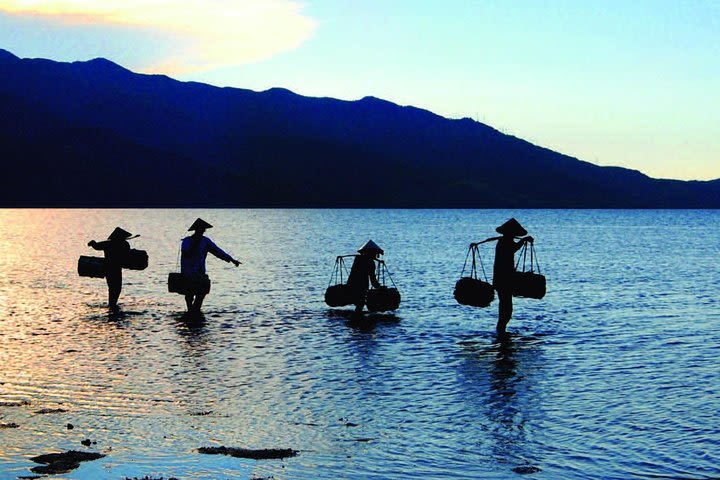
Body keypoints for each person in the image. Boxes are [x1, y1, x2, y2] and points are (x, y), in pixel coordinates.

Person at [474, 219, 533, 335]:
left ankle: (501, 331)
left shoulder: (505, 240)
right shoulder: (505, 242)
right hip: (503, 280)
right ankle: (501, 331)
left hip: (503, 279)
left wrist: (523, 241)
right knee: (506, 307)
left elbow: (514, 247)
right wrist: (524, 241)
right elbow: (514, 249)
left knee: (505, 306)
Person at [181, 218, 241, 312]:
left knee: (200, 294)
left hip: (199, 272)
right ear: (197, 230)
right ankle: (192, 312)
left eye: (203, 229)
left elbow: (218, 251)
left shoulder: (205, 241)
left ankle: (194, 312)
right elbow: (186, 252)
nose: (203, 231)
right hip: (188, 273)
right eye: (201, 229)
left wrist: (231, 260)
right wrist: (195, 244)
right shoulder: (187, 241)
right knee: (189, 295)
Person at [87, 227, 133, 309]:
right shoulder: (124, 244)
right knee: (117, 287)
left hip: (108, 269)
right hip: (116, 269)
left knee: (112, 287)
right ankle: (113, 304)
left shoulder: (108, 244)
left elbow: (96, 246)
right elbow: (128, 254)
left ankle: (111, 304)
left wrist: (92, 243)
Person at [346, 240, 382, 313]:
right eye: (375, 254)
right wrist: (380, 288)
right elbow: (373, 279)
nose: (376, 256)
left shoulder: (357, 259)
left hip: (350, 285)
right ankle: (358, 319)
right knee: (360, 303)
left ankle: (356, 319)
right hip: (361, 287)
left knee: (359, 303)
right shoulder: (370, 262)